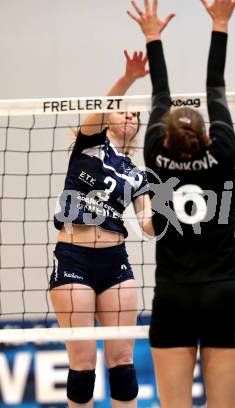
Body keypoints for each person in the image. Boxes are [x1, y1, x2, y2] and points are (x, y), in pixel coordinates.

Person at [128, 0, 235, 407]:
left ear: (164, 141)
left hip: (174, 295)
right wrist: (220, 23)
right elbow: (216, 86)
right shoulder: (224, 154)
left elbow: (159, 94)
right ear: (209, 137)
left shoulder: (156, 159)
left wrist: (152, 36)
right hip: (222, 293)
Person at [50, 48, 161, 407]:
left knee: (123, 365)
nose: (129, 113)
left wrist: (171, 208)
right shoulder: (90, 146)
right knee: (82, 367)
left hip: (116, 262)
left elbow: (148, 225)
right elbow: (103, 104)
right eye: (123, 109)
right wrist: (128, 79)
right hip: (74, 260)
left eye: (135, 113)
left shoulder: (139, 173)